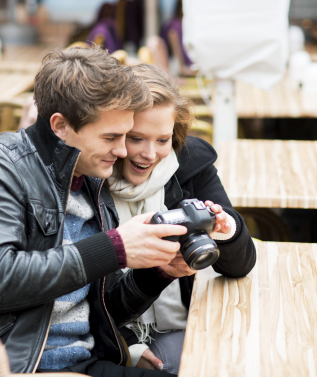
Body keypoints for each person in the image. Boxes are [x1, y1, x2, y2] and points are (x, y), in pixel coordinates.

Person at [0, 47, 198, 377]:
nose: (123, 150)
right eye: (111, 137)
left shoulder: (87, 179)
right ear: (60, 126)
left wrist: (158, 272)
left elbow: (105, 309)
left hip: (82, 362)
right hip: (12, 366)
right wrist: (114, 248)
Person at [108, 64, 256, 374]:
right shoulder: (92, 175)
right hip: (116, 334)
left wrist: (226, 231)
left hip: (189, 318)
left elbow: (240, 266)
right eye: (137, 138)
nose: (150, 154)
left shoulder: (189, 165)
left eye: (162, 140)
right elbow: (82, 299)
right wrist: (126, 346)